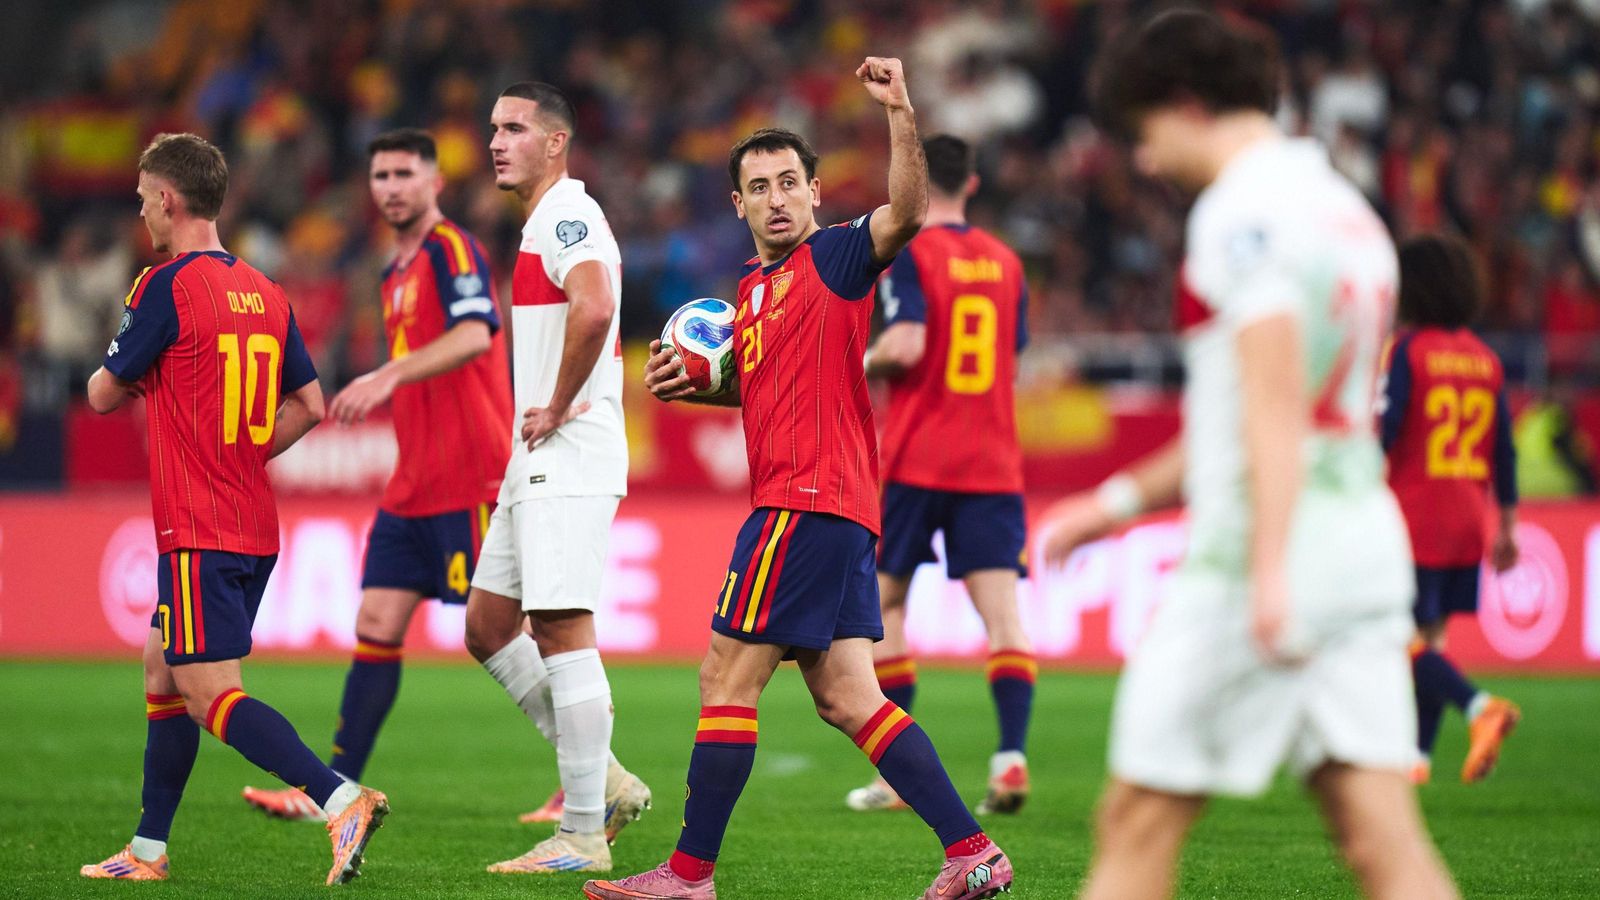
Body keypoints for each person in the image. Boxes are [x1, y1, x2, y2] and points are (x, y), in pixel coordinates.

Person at [1037, 12, 1458, 899]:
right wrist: (1113, 505)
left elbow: (1274, 408)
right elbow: (1248, 414)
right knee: (1382, 841)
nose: (1146, 161)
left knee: (1134, 824)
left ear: (1187, 105)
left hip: (1256, 566)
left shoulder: (1240, 215)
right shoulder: (1347, 209)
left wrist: (1269, 572)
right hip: (1362, 552)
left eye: (1146, 134)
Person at [584, 58, 1013, 900]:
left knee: (724, 676)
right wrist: (707, 388)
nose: (778, 197)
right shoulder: (750, 289)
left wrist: (898, 111)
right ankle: (971, 852)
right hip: (835, 510)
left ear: (816, 193)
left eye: (791, 182)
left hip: (803, 504)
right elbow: (771, 386)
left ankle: (687, 875)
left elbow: (910, 212)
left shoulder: (837, 259)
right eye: (760, 186)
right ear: (737, 205)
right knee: (851, 696)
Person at [78, 133, 388, 886]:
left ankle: (338, 796)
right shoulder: (265, 289)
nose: (142, 209)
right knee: (164, 665)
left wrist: (179, 417)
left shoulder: (163, 287)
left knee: (209, 690)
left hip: (197, 526)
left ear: (170, 200)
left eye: (145, 196)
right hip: (252, 523)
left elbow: (100, 393)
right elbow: (309, 404)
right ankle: (148, 851)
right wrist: (241, 451)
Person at [240, 128, 513, 820]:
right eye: (381, 175)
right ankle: (337, 791)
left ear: (434, 182)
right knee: (376, 620)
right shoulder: (391, 272)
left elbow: (477, 332)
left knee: (517, 633)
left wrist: (386, 374)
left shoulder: (452, 249)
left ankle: (589, 776)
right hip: (414, 481)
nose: (391, 186)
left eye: (404, 173)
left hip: (472, 474)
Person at [463, 81, 649, 875]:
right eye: (494, 128)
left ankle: (580, 836)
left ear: (555, 142)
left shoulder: (569, 214)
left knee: (562, 629)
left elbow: (597, 305)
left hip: (566, 453)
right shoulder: (541, 220)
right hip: (534, 457)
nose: (497, 141)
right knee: (488, 626)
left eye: (514, 128)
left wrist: (558, 402)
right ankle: (602, 777)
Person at [851, 133, 1034, 816]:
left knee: (886, 606)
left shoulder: (909, 251)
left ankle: (897, 778)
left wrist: (853, 365)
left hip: (919, 458)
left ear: (920, 182)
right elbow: (1009, 361)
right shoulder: (1009, 264)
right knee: (1004, 618)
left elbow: (907, 343)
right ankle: (1010, 757)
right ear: (976, 184)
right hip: (992, 463)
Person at [1380, 234, 1521, 785]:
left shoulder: (1408, 351)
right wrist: (1506, 524)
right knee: (1430, 641)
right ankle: (1416, 762)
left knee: (1390, 635)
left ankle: (1478, 705)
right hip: (1466, 516)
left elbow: (1384, 432)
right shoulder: (1486, 360)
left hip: (1414, 517)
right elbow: (1503, 450)